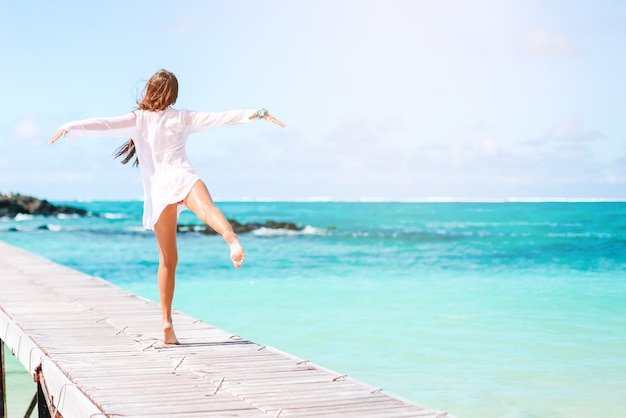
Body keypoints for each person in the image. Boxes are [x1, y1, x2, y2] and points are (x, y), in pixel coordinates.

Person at [49, 69, 286, 344]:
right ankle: (229, 237)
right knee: (207, 209)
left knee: (168, 261)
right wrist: (256, 113)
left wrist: (71, 125)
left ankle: (166, 323)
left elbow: (104, 124)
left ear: (149, 90)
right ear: (173, 94)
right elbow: (220, 118)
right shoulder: (183, 117)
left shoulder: (137, 120)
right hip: (184, 177)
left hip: (160, 191)